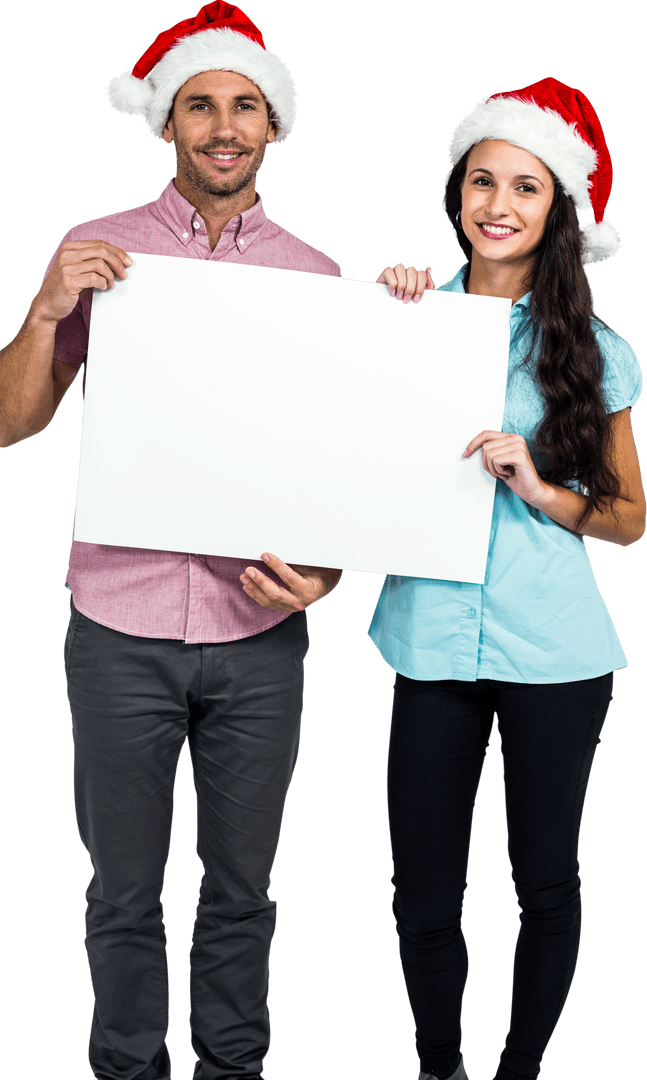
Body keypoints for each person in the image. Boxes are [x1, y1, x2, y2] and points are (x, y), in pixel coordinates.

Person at [0, 5, 343, 1079]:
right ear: (167, 123)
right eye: (199, 105)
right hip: (116, 626)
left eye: (243, 105)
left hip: (258, 631)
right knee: (122, 894)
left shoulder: (320, 277)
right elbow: (6, 423)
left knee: (243, 892)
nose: (222, 126)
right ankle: (126, 1069)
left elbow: (334, 465)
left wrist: (322, 570)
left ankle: (233, 1070)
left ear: (271, 125)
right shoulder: (99, 249)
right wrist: (46, 313)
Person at [372, 78, 645, 1080]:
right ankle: (438, 1065)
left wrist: (535, 483)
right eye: (481, 180)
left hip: (557, 657)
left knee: (546, 885)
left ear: (557, 212)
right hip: (428, 646)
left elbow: (627, 521)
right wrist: (388, 318)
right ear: (455, 198)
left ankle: (518, 1072)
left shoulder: (599, 355)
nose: (498, 202)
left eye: (525, 188)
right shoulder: (400, 321)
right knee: (421, 897)